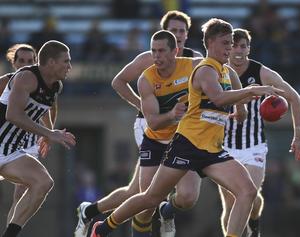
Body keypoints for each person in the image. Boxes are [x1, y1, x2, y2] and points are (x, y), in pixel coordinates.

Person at [89, 18, 285, 237]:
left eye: (231, 42)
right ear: (210, 43)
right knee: (150, 198)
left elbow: (234, 89)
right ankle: (104, 227)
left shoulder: (223, 71)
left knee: (247, 192)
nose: (230, 47)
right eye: (225, 42)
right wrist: (252, 92)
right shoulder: (205, 70)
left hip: (212, 149)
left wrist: (241, 110)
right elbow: (218, 98)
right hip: (187, 144)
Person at [75, 10, 202, 237]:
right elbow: (118, 81)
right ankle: (149, 217)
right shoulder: (149, 59)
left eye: (182, 30)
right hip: (151, 126)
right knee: (149, 194)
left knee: (140, 192)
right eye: (173, 30)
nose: (178, 34)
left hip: (182, 129)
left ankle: (90, 211)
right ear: (164, 33)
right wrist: (139, 104)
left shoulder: (194, 60)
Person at [220, 28, 300, 237]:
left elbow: (294, 97)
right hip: (223, 147)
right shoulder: (217, 71)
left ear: (249, 48)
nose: (239, 50)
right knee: (231, 203)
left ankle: (255, 223)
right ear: (227, 48)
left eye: (243, 46)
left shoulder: (261, 73)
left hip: (253, 145)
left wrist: (299, 135)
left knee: (248, 195)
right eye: (234, 45)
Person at [0, 40, 76, 237]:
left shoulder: (56, 86)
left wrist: (48, 135)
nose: (70, 66)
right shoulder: (26, 77)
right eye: (65, 61)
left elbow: (47, 110)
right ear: (50, 63)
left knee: (43, 183)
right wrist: (50, 133)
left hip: (11, 150)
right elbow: (13, 115)